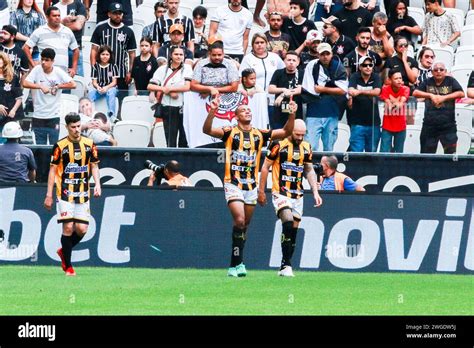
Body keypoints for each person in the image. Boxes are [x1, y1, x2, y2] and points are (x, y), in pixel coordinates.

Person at [202, 96, 296, 277]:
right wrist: (212, 112)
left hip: (251, 185)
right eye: (243, 110)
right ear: (236, 116)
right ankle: (235, 264)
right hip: (233, 182)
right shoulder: (230, 132)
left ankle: (236, 263)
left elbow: (285, 132)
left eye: (249, 110)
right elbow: (207, 130)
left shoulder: (259, 133)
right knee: (239, 220)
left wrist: (291, 115)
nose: (247, 111)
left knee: (245, 225)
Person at [258, 119, 322, 277]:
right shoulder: (278, 144)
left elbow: (308, 170)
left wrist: (315, 191)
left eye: (303, 135)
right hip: (280, 192)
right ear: (290, 131)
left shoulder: (306, 147)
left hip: (298, 195)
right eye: (297, 134)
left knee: (293, 231)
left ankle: (285, 264)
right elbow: (265, 167)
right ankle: (287, 265)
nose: (300, 137)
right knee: (287, 221)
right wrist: (261, 191)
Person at [44, 112, 101, 276]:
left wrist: (97, 185)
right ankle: (68, 267)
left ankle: (64, 251)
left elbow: (95, 166)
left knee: (82, 229)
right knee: (68, 227)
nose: (76, 130)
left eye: (78, 126)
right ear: (66, 127)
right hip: (64, 192)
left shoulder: (89, 144)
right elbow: (52, 170)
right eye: (73, 127)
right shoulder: (60, 146)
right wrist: (49, 194)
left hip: (83, 191)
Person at [22, 48, 76, 145]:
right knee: (39, 148)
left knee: (54, 147)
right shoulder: (37, 69)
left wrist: (58, 86)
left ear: (52, 61)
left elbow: (73, 84)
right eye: (42, 59)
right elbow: (25, 83)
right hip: (38, 115)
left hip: (53, 116)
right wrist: (40, 86)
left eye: (46, 60)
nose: (43, 62)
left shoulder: (58, 71)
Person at [302, 42, 348, 151]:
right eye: (322, 54)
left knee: (329, 147)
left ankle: (327, 168)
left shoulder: (338, 67)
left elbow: (343, 90)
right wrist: (329, 89)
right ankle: (310, 168)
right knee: (310, 147)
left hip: (332, 111)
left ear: (332, 54)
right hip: (314, 111)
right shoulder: (312, 65)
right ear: (318, 55)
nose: (325, 56)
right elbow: (309, 88)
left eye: (327, 54)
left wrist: (323, 89)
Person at [413, 61, 464, 153]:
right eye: (436, 70)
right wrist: (430, 95)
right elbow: (415, 93)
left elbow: (461, 93)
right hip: (429, 126)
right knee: (426, 157)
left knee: (450, 156)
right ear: (432, 72)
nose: (438, 72)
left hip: (448, 126)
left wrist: (444, 98)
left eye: (441, 69)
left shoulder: (451, 81)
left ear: (445, 71)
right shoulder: (428, 81)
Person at [90, 3, 137, 104]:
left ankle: (119, 117)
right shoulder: (100, 28)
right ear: (109, 14)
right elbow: (94, 49)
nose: (118, 16)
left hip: (122, 73)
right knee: (103, 100)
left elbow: (132, 54)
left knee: (121, 100)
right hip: (103, 72)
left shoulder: (128, 31)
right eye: (115, 13)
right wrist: (94, 69)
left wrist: (130, 72)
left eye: (120, 13)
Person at [148, 46, 192, 148]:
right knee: (170, 140)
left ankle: (182, 162)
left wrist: (170, 89)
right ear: (170, 55)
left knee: (184, 140)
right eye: (176, 54)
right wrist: (165, 90)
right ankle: (171, 162)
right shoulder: (162, 69)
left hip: (183, 107)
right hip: (167, 106)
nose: (178, 57)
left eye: (181, 54)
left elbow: (187, 87)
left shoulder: (187, 68)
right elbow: (150, 85)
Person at [239, 33, 285, 126]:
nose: (259, 45)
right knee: (258, 126)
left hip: (273, 100)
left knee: (275, 126)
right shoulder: (248, 59)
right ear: (252, 45)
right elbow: (241, 79)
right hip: (255, 99)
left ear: (266, 43)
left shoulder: (275, 57)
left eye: (262, 42)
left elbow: (284, 74)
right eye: (257, 43)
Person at [23, 6, 79, 76]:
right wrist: (34, 66)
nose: (57, 18)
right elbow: (25, 48)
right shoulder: (39, 31)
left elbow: (76, 50)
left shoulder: (67, 31)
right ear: (47, 17)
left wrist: (74, 68)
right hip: (44, 74)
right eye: (54, 16)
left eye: (59, 15)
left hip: (62, 74)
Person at [347, 55, 382, 152]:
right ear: (360, 67)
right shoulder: (355, 76)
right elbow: (351, 91)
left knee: (372, 154)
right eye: (365, 65)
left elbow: (377, 92)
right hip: (357, 123)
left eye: (370, 65)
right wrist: (367, 92)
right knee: (356, 152)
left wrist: (360, 92)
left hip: (374, 123)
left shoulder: (376, 77)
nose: (368, 67)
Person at [45, 0, 86, 77]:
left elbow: (78, 26)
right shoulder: (55, 6)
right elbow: (50, 26)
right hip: (59, 49)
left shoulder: (79, 5)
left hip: (75, 49)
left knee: (78, 80)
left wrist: (59, 25)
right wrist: (63, 21)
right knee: (58, 78)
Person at [383, 36, 419, 124]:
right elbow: (386, 81)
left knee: (409, 122)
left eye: (405, 45)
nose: (403, 47)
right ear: (395, 47)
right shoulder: (390, 61)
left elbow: (413, 79)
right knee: (393, 122)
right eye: (401, 45)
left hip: (408, 95)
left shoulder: (413, 61)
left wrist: (404, 61)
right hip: (393, 95)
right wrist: (406, 82)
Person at [268, 51, 304, 128]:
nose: (291, 62)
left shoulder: (301, 73)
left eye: (294, 60)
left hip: (295, 112)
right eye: (289, 60)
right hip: (279, 112)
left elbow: (299, 89)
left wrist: (282, 94)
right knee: (278, 136)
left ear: (298, 62)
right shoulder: (278, 73)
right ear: (284, 61)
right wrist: (284, 90)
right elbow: (271, 89)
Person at [379, 69, 409, 153]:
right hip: (387, 126)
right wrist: (394, 102)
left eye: (400, 78)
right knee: (384, 152)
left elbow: (400, 104)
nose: (399, 80)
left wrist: (392, 102)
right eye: (396, 78)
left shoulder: (405, 89)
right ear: (390, 80)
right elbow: (388, 106)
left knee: (399, 152)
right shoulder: (385, 89)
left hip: (401, 126)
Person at [89, 45, 119, 122]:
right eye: (103, 54)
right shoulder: (95, 67)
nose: (105, 56)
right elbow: (94, 82)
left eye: (107, 54)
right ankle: (90, 114)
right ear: (99, 55)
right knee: (91, 93)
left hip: (110, 87)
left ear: (110, 55)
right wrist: (98, 87)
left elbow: (114, 82)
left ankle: (111, 114)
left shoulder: (113, 66)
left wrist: (106, 88)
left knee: (110, 92)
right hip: (99, 88)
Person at [0, 51, 24, 144]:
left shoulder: (13, 77)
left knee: (9, 141)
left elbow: (19, 97)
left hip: (10, 116)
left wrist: (13, 110)